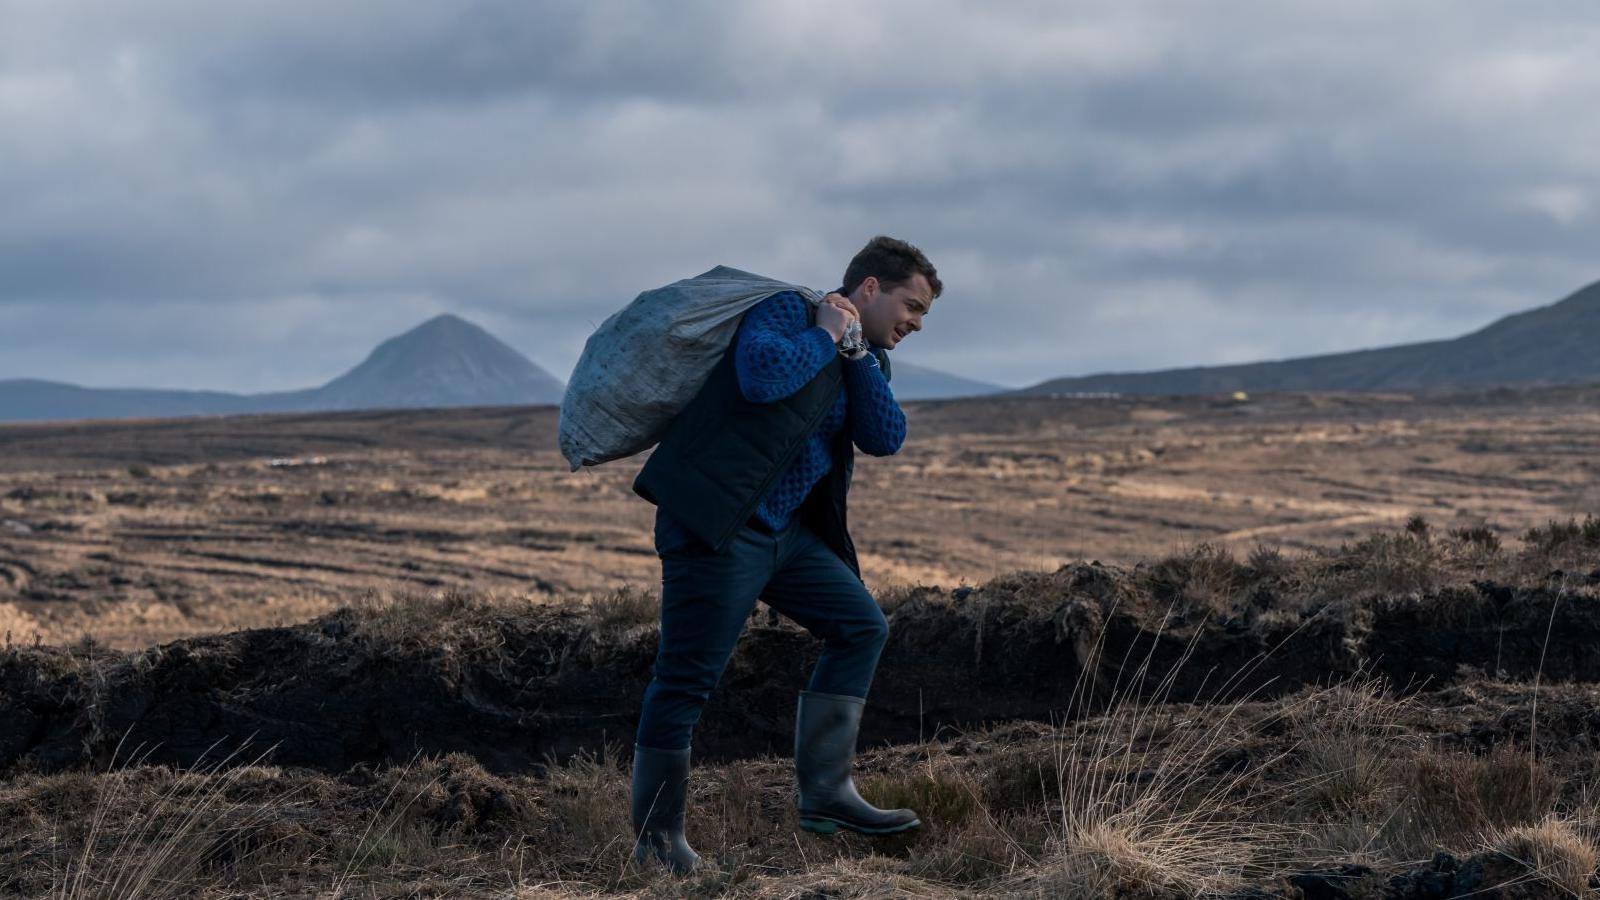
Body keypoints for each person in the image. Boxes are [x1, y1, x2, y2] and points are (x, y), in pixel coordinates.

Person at [628, 235, 941, 873]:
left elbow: (885, 436)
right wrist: (825, 334)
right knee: (686, 680)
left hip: (788, 538)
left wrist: (853, 350)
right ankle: (658, 844)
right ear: (871, 288)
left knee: (861, 626)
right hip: (719, 525)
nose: (915, 323)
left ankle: (826, 793)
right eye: (912, 306)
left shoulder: (868, 358)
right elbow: (763, 376)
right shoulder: (783, 314)